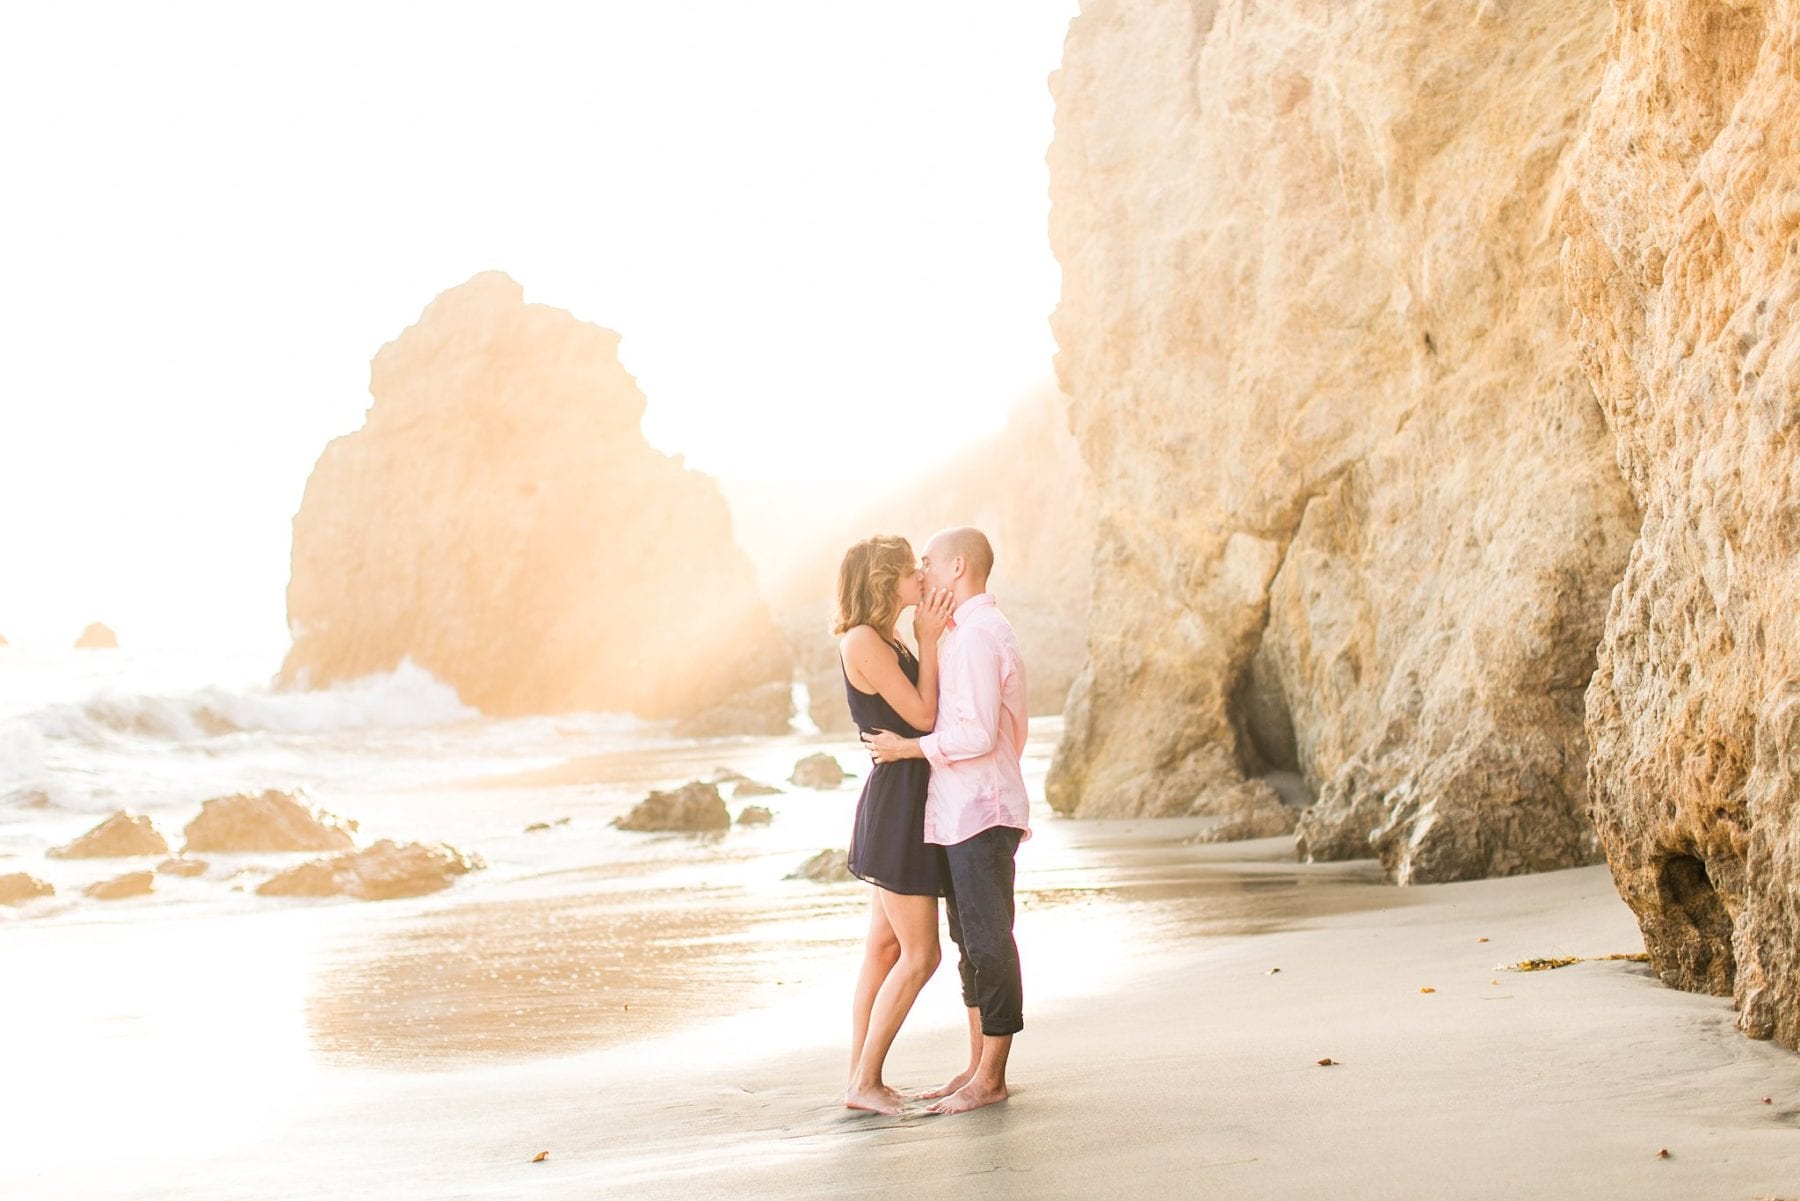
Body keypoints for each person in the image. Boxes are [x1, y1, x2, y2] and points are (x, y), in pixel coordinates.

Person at [863, 526, 1029, 1115]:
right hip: (963, 811)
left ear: (958, 566)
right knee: (969, 942)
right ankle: (976, 1064)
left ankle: (992, 1078)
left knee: (987, 941)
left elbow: (982, 734)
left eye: (929, 562)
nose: (923, 572)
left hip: (982, 810)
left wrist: (911, 749)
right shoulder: (962, 633)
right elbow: (1005, 731)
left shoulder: (981, 635)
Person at [834, 534, 956, 1116]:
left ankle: (859, 1078)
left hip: (904, 795)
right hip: (900, 804)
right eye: (909, 571)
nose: (920, 578)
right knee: (921, 955)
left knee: (884, 948)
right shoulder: (864, 640)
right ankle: (866, 1080)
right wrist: (930, 641)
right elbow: (925, 717)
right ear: (884, 581)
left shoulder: (883, 636)